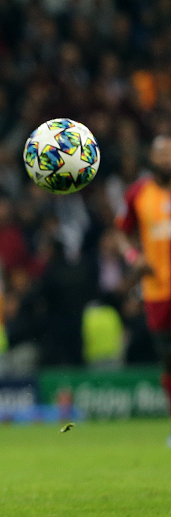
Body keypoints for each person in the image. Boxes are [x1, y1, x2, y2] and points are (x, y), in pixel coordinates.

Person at [116, 135, 171, 445]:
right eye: (160, 153)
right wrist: (133, 257)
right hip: (158, 290)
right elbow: (122, 234)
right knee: (168, 360)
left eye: (169, 154)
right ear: (151, 157)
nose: (165, 159)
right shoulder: (138, 193)